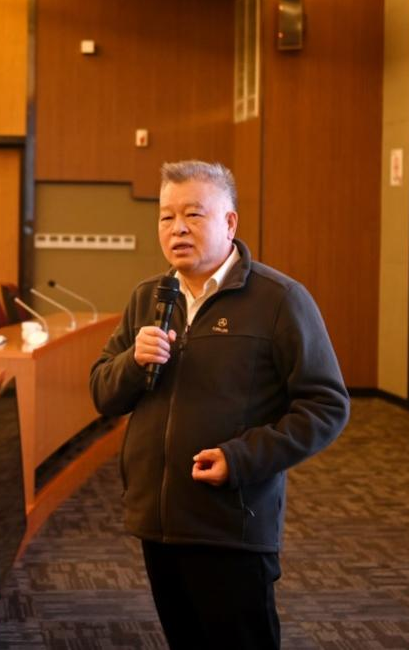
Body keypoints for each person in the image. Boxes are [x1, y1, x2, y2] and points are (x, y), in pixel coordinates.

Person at [90, 160, 350, 650]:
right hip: (157, 520)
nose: (177, 228)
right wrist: (132, 362)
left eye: (193, 214)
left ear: (230, 223)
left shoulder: (279, 299)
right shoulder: (149, 297)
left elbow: (326, 406)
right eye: (166, 216)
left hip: (232, 524)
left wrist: (241, 458)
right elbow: (103, 393)